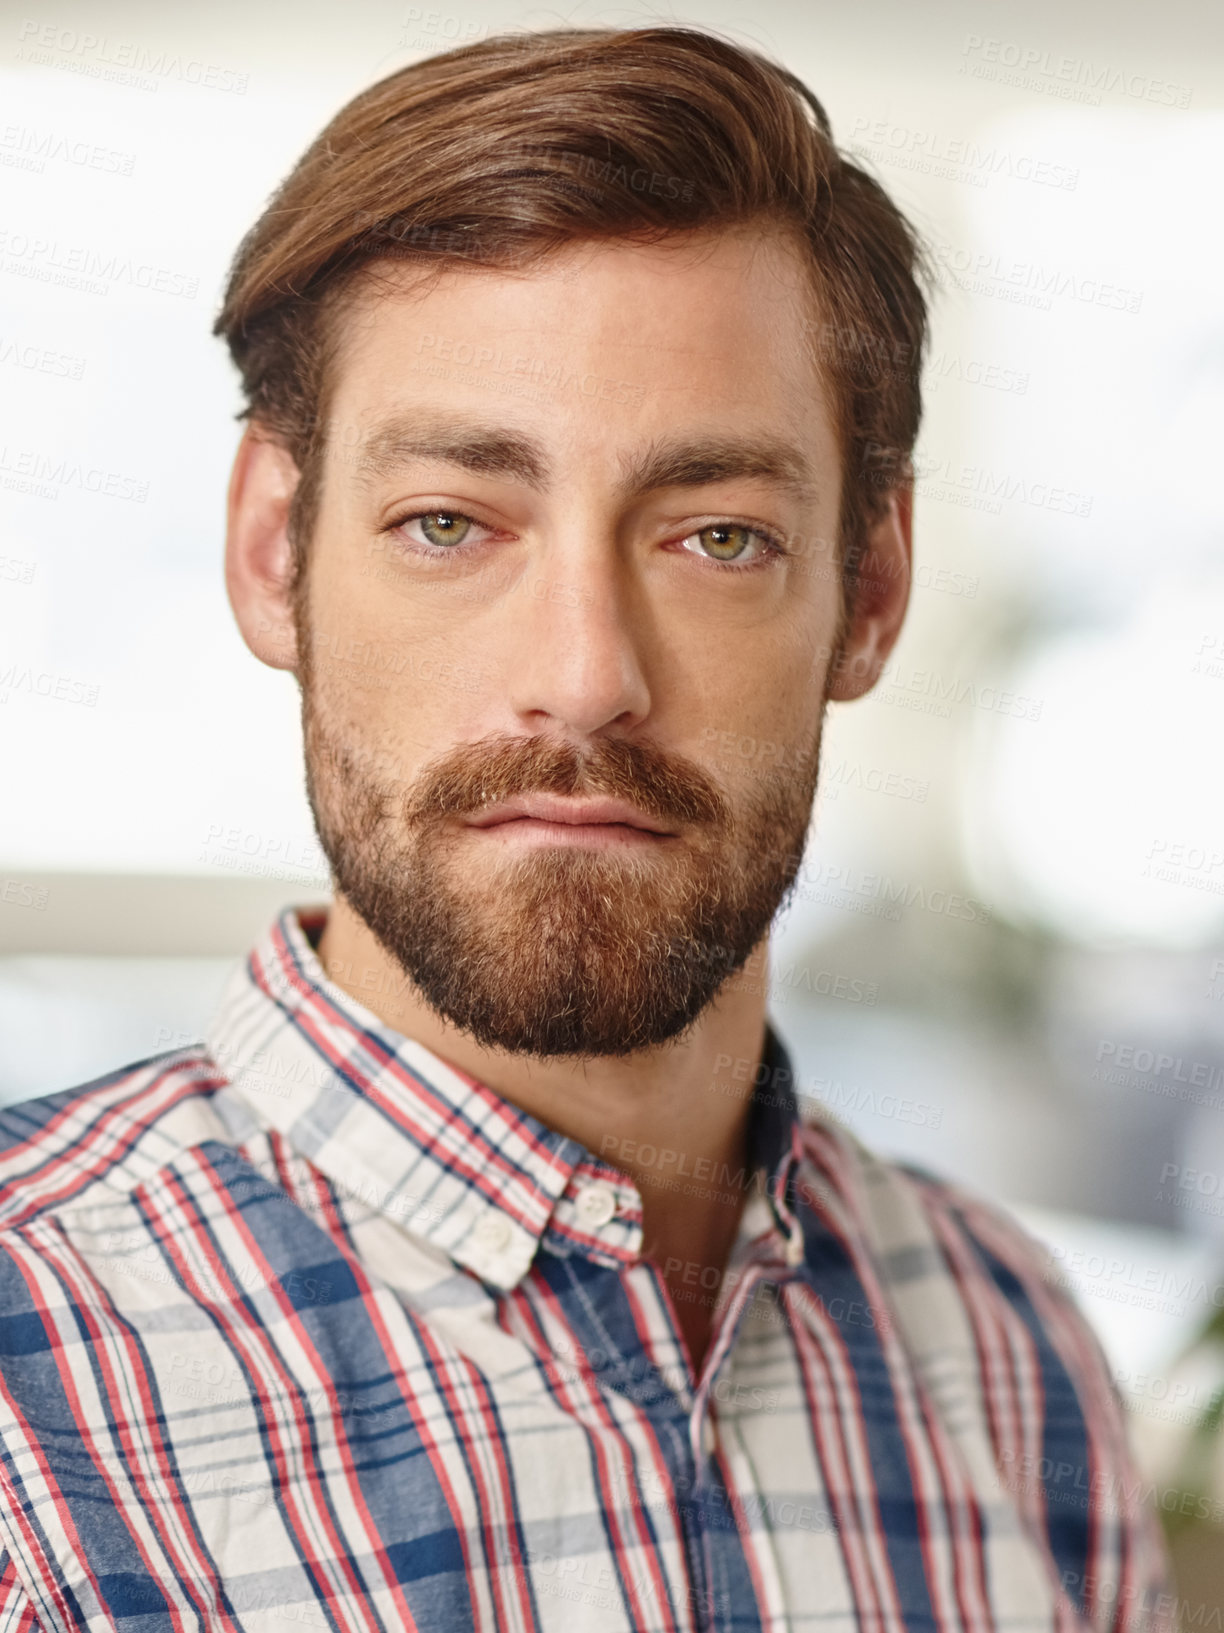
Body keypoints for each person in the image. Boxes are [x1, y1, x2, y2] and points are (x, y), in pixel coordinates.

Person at [0, 24, 1171, 1631]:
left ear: (871, 589)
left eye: (715, 534)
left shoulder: (1015, 1351)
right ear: (274, 555)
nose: (585, 679)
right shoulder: (22, 1375)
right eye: (447, 522)